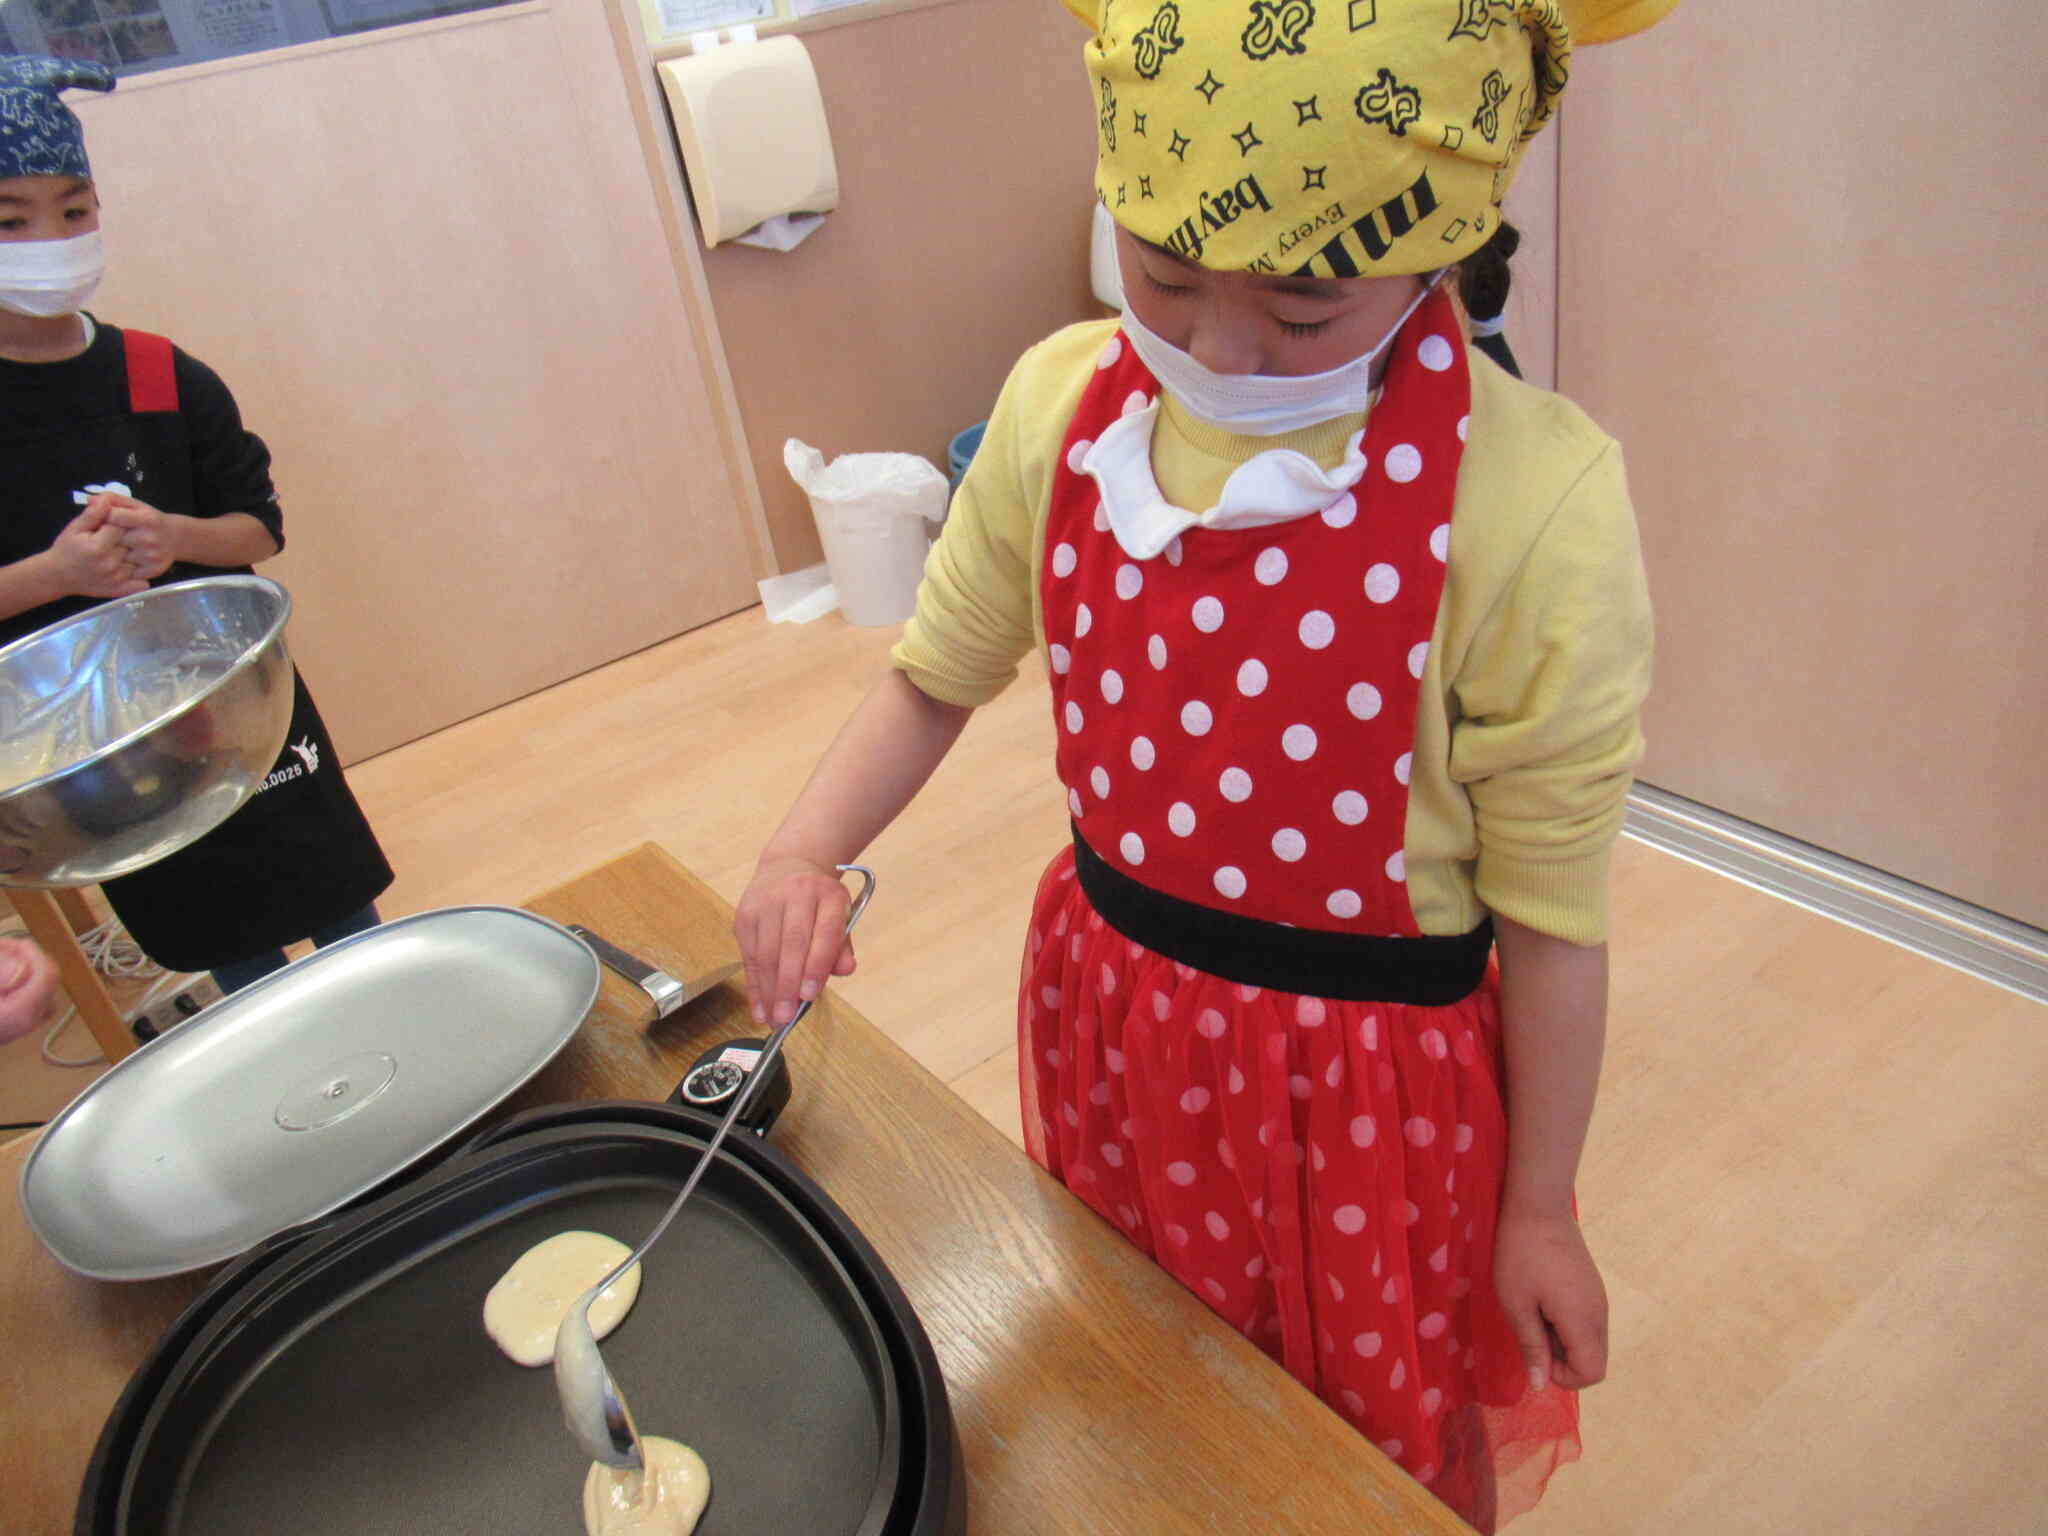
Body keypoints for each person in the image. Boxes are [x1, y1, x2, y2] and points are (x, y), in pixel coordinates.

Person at [735, 3, 1671, 1527]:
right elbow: (933, 677)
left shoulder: (1537, 504)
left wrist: (1545, 1204)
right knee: (1149, 1385)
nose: (1220, 349)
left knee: (1352, 1457)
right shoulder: (1059, 409)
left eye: (1304, 315)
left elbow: (1556, 916)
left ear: (1445, 246)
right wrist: (800, 847)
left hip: (1373, 1096)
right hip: (1117, 1019)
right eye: (1163, 276)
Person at [0, 56, 392, 998]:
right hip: (91, 746)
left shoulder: (156, 374)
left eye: (74, 208)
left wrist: (175, 537)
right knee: (226, 931)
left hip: (238, 703)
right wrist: (57, 573)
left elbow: (257, 531)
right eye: (11, 219)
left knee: (334, 896)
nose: (51, 237)